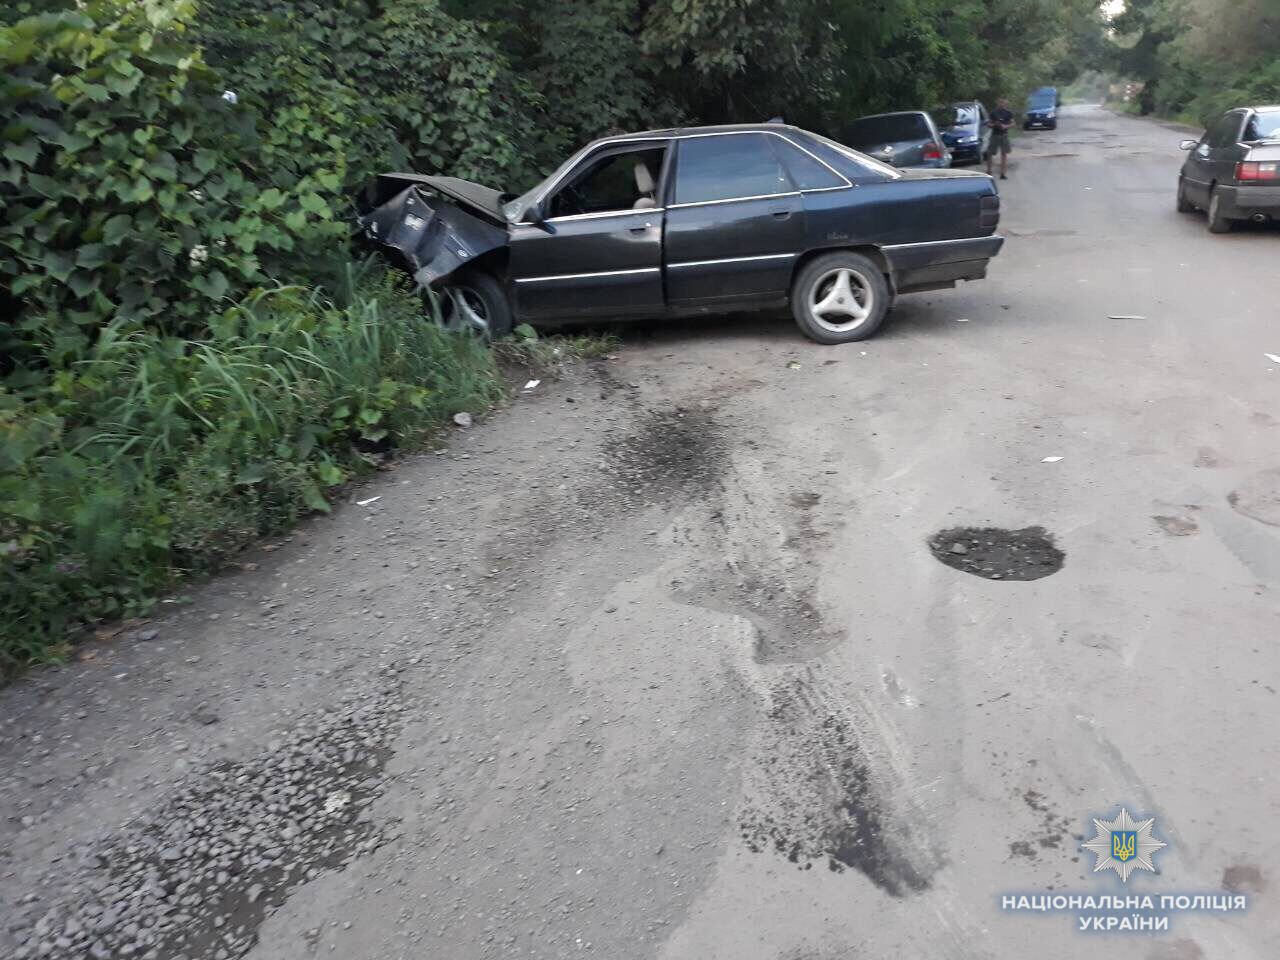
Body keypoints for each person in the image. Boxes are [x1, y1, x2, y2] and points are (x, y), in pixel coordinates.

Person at [987, 98, 1015, 180]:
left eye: (1004, 103)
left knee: (1004, 154)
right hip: (995, 135)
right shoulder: (993, 113)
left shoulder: (1009, 113)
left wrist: (1006, 126)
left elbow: (1013, 123)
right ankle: (989, 171)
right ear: (998, 103)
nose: (1002, 104)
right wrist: (994, 124)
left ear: (1006, 103)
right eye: (1001, 102)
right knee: (990, 153)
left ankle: (1003, 173)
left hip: (1004, 135)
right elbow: (988, 124)